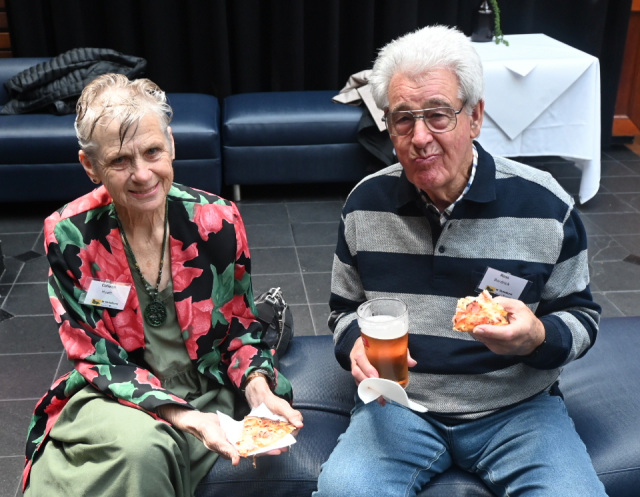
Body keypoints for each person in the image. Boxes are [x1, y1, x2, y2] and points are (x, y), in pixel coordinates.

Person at [314, 25, 606, 497]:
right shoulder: (365, 205)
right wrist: (353, 343)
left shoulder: (545, 205)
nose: (420, 138)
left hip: (518, 409)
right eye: (403, 119)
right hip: (398, 404)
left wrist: (537, 336)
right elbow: (343, 310)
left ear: (475, 117)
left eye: (438, 115)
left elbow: (582, 316)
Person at [22, 74, 303, 497]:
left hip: (204, 389)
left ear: (170, 144)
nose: (142, 174)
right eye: (120, 160)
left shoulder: (217, 220)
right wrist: (186, 419)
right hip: (115, 392)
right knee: (144, 447)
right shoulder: (69, 235)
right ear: (90, 166)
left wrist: (258, 389)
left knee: (148, 449)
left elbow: (239, 331)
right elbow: (96, 357)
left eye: (152, 151)